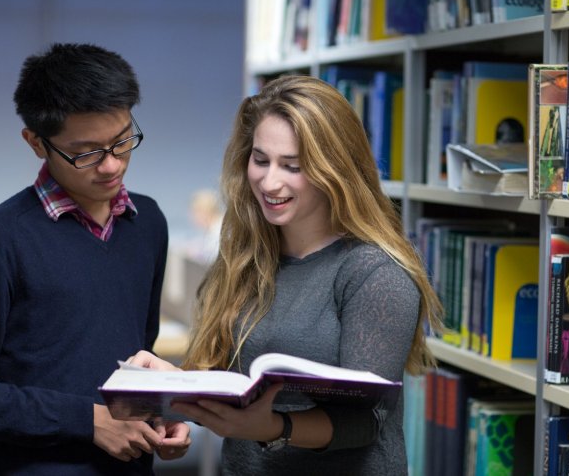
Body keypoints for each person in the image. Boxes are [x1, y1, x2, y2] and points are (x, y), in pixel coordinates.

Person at [128, 75, 444, 475]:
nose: (269, 181)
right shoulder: (247, 257)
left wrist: (276, 427)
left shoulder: (375, 273)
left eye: (292, 166)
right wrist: (176, 391)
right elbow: (239, 391)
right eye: (260, 160)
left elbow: (368, 421)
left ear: (335, 170)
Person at [0, 43, 190, 475]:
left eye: (122, 141)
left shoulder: (148, 223)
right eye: (86, 152)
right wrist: (88, 421)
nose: (111, 165)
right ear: (35, 142)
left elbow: (137, 355)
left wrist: (159, 412)